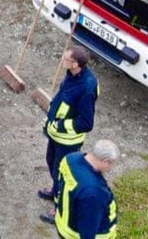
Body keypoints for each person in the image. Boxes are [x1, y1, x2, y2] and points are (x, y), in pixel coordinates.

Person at [38, 44, 99, 203]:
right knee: (51, 163)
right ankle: (55, 191)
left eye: (66, 59)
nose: (62, 60)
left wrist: (61, 125)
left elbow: (86, 123)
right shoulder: (71, 75)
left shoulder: (87, 87)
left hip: (67, 141)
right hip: (56, 135)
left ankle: (60, 207)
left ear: (75, 64)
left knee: (63, 172)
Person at [41, 139, 119, 238]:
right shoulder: (93, 191)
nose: (111, 168)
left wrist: (57, 208)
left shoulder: (70, 158)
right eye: (111, 164)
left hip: (64, 222)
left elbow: (59, 186)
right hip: (75, 234)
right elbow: (88, 227)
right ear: (105, 161)